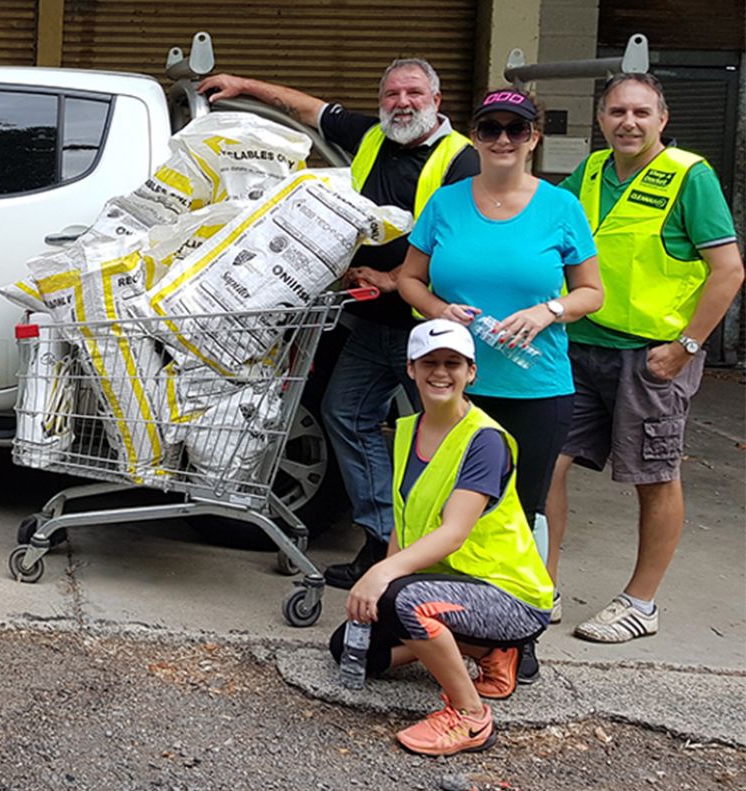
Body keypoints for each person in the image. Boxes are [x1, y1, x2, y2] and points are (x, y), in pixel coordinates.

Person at [200, 60, 479, 588]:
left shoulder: (459, 159)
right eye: (392, 92)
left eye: (414, 93)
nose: (402, 102)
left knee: (446, 441)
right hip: (370, 323)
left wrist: (394, 277)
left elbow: (461, 240)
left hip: (429, 331)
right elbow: (305, 108)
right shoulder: (372, 136)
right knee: (345, 414)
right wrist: (243, 85)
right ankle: (380, 541)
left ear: (436, 101)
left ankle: (442, 559)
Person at [395, 87, 604, 681]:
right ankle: (447, 620)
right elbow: (409, 279)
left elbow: (592, 292)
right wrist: (438, 309)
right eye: (491, 129)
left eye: (517, 129)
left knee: (522, 514)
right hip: (452, 387)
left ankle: (519, 634)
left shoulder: (560, 208)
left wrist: (548, 312)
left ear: (534, 137)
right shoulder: (446, 203)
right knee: (443, 508)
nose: (504, 140)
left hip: (535, 389)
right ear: (476, 135)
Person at [548, 74, 743, 643]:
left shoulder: (690, 176)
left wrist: (686, 347)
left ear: (662, 119)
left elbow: (728, 270)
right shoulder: (589, 171)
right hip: (582, 346)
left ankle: (641, 603)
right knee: (549, 463)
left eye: (640, 112)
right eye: (616, 112)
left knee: (654, 476)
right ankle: (542, 585)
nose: (627, 122)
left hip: (652, 358)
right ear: (601, 118)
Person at [330, 320, 553, 757]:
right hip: (445, 587)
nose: (441, 373)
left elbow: (453, 533)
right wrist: (383, 587)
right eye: (429, 363)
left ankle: (470, 717)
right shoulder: (408, 429)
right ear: (409, 369)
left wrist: (382, 576)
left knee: (403, 602)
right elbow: (406, 519)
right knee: (351, 647)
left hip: (508, 595)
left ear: (472, 372)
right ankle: (489, 652)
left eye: (453, 363)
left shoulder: (484, 440)